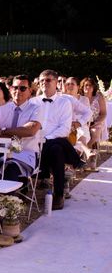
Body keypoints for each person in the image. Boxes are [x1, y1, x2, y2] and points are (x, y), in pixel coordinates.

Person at [31, 69, 84, 210]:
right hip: (33, 142)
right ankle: (75, 160)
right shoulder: (33, 102)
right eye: (42, 80)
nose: (44, 83)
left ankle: (58, 195)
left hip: (51, 142)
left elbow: (65, 129)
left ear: (56, 83)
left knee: (56, 148)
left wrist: (46, 139)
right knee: (59, 146)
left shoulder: (64, 103)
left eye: (48, 80)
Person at [0, 75, 42, 181]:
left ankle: (10, 197)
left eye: (22, 88)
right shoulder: (1, 110)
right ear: (10, 89)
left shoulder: (36, 109)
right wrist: (19, 132)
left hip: (25, 153)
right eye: (15, 88)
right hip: (2, 151)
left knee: (10, 167)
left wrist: (4, 131)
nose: (18, 91)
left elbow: (30, 130)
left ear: (30, 91)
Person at [79, 77, 108, 151]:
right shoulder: (79, 97)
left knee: (94, 132)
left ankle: (87, 150)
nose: (88, 87)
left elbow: (103, 113)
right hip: (82, 122)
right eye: (86, 85)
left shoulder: (98, 96)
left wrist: (96, 122)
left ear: (93, 87)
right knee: (81, 133)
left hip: (96, 121)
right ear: (82, 87)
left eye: (90, 85)